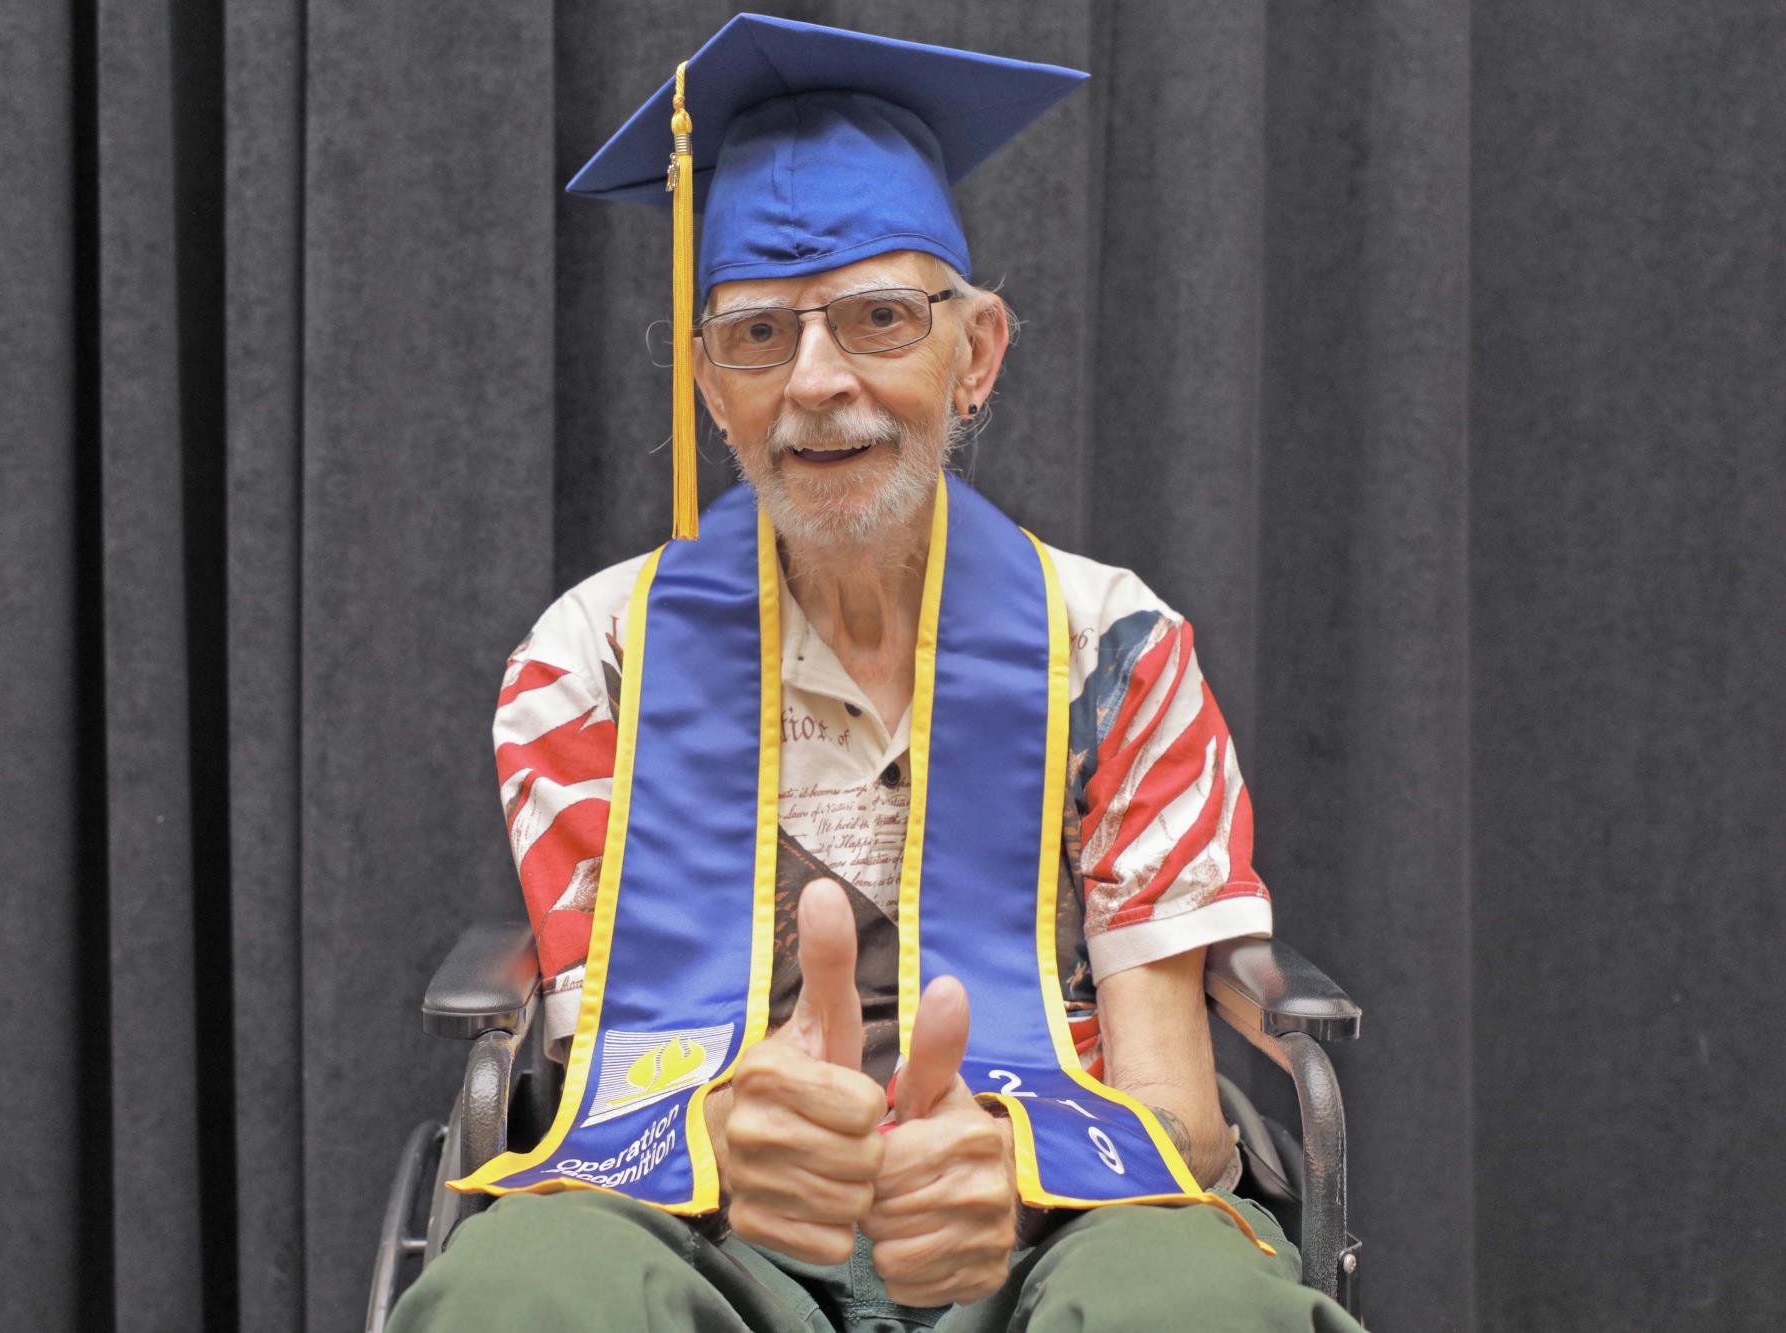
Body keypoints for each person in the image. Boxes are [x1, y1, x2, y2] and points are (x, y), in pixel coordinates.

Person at [389, 15, 1359, 1332]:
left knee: (1186, 1302)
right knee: (529, 1289)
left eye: (880, 317)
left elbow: (1177, 1113)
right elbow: (607, 1069)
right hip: (701, 1203)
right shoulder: (590, 664)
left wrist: (1007, 1168)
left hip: (1052, 1207)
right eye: (757, 335)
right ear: (709, 386)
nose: (817, 380)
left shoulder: (1117, 650)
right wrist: (735, 1130)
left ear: (978, 353)